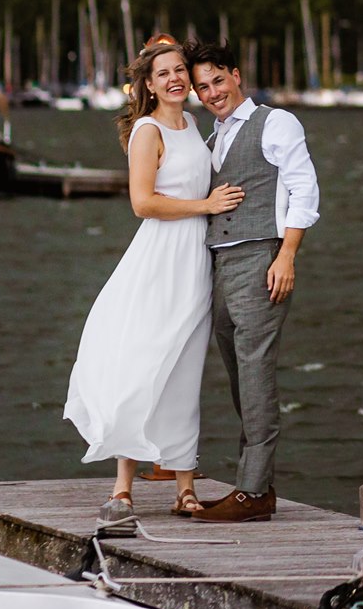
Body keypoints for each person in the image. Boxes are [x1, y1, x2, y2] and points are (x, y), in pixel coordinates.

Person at [63, 38, 243, 522]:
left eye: (180, 69)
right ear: (148, 84)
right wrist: (205, 205)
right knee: (145, 364)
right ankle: (122, 489)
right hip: (158, 260)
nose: (175, 78)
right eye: (163, 73)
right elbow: (142, 203)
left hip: (194, 264)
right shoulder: (147, 130)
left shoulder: (193, 126)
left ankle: (185, 487)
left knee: (184, 372)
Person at [182, 39, 320, 523]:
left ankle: (253, 492)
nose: (212, 92)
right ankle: (256, 483)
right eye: (203, 86)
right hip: (219, 266)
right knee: (241, 377)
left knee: (256, 372)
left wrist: (286, 255)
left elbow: (305, 187)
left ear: (236, 75)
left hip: (261, 257)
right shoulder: (212, 137)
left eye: (218, 80)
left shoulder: (275, 122)